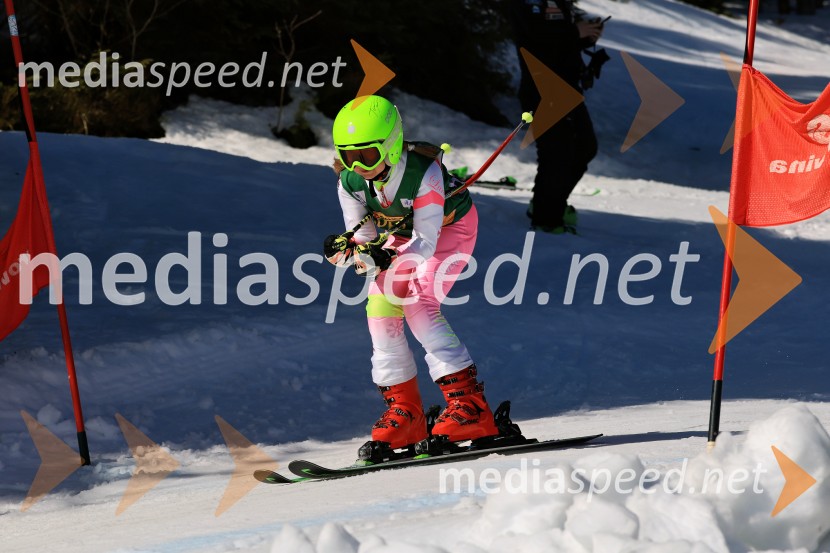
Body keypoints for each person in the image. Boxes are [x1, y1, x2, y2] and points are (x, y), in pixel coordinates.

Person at [323, 95, 499, 451]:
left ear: (390, 146)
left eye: (367, 155)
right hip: (402, 239)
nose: (358, 166)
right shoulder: (350, 182)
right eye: (348, 156)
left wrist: (381, 256)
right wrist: (349, 252)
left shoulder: (424, 172)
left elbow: (425, 243)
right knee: (380, 310)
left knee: (418, 302)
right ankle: (406, 413)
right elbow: (365, 236)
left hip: (448, 232)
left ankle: (471, 407)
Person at [509, 0, 604, 234]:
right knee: (556, 152)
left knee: (584, 147)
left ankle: (548, 205)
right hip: (542, 89)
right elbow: (534, 40)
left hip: (568, 88)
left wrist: (586, 36)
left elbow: (559, 44)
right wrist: (574, 31)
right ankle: (546, 218)